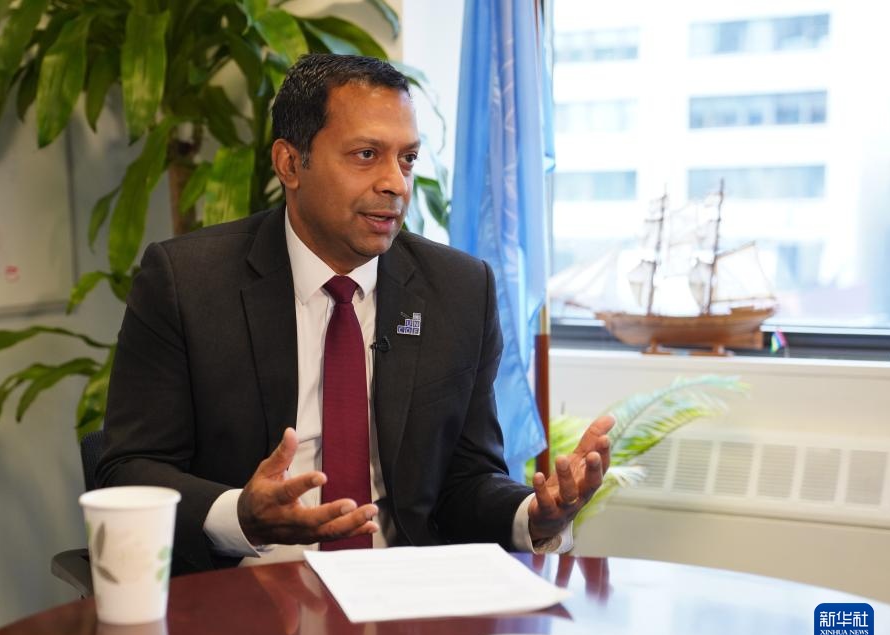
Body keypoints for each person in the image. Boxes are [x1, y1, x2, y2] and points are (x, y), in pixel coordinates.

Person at [96, 54, 614, 574]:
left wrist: (534, 516)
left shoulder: (459, 289)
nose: (396, 184)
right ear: (290, 163)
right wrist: (241, 515)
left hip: (406, 593)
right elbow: (130, 469)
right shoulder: (187, 283)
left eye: (407, 159)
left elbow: (466, 479)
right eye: (366, 155)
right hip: (249, 587)